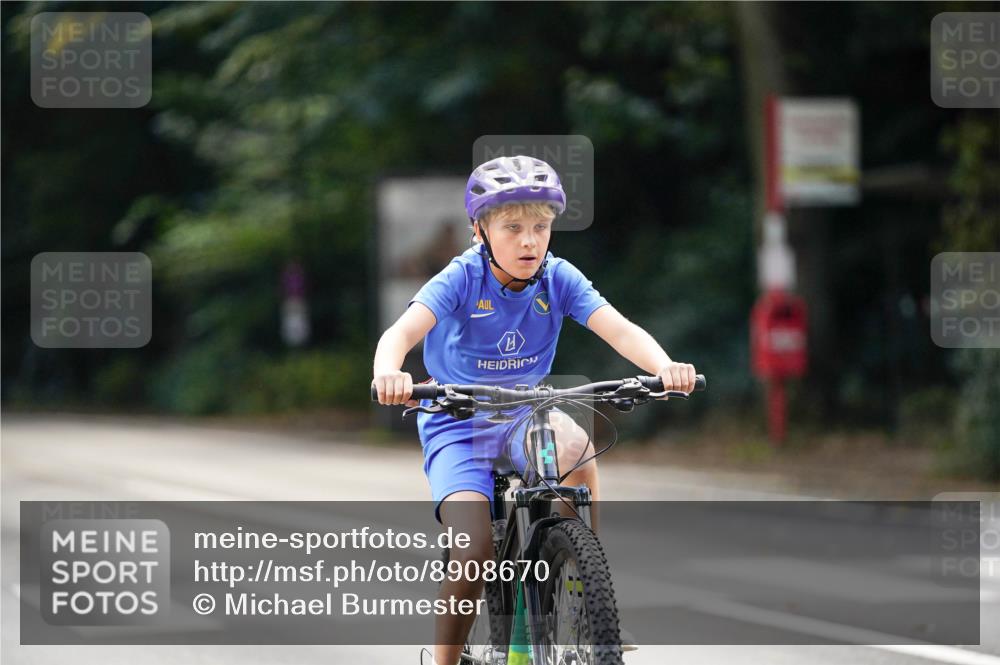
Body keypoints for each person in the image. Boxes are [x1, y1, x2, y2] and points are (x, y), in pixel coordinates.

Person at [372, 155, 697, 665]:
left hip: (525, 410)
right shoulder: (461, 277)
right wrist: (390, 372)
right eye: (513, 227)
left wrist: (665, 366)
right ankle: (444, 661)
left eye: (541, 227)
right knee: (475, 545)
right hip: (457, 421)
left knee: (579, 452)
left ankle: (583, 591)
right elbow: (401, 332)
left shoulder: (558, 278)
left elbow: (619, 329)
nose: (529, 240)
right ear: (480, 230)